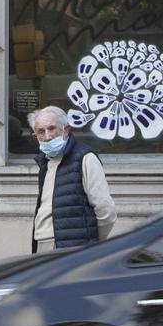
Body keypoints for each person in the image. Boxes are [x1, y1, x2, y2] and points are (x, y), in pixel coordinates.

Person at [29, 105, 116, 253]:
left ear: (66, 129)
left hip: (72, 247)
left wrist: (90, 241)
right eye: (41, 132)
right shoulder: (45, 162)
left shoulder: (85, 158)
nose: (47, 136)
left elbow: (105, 211)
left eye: (52, 128)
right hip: (43, 243)